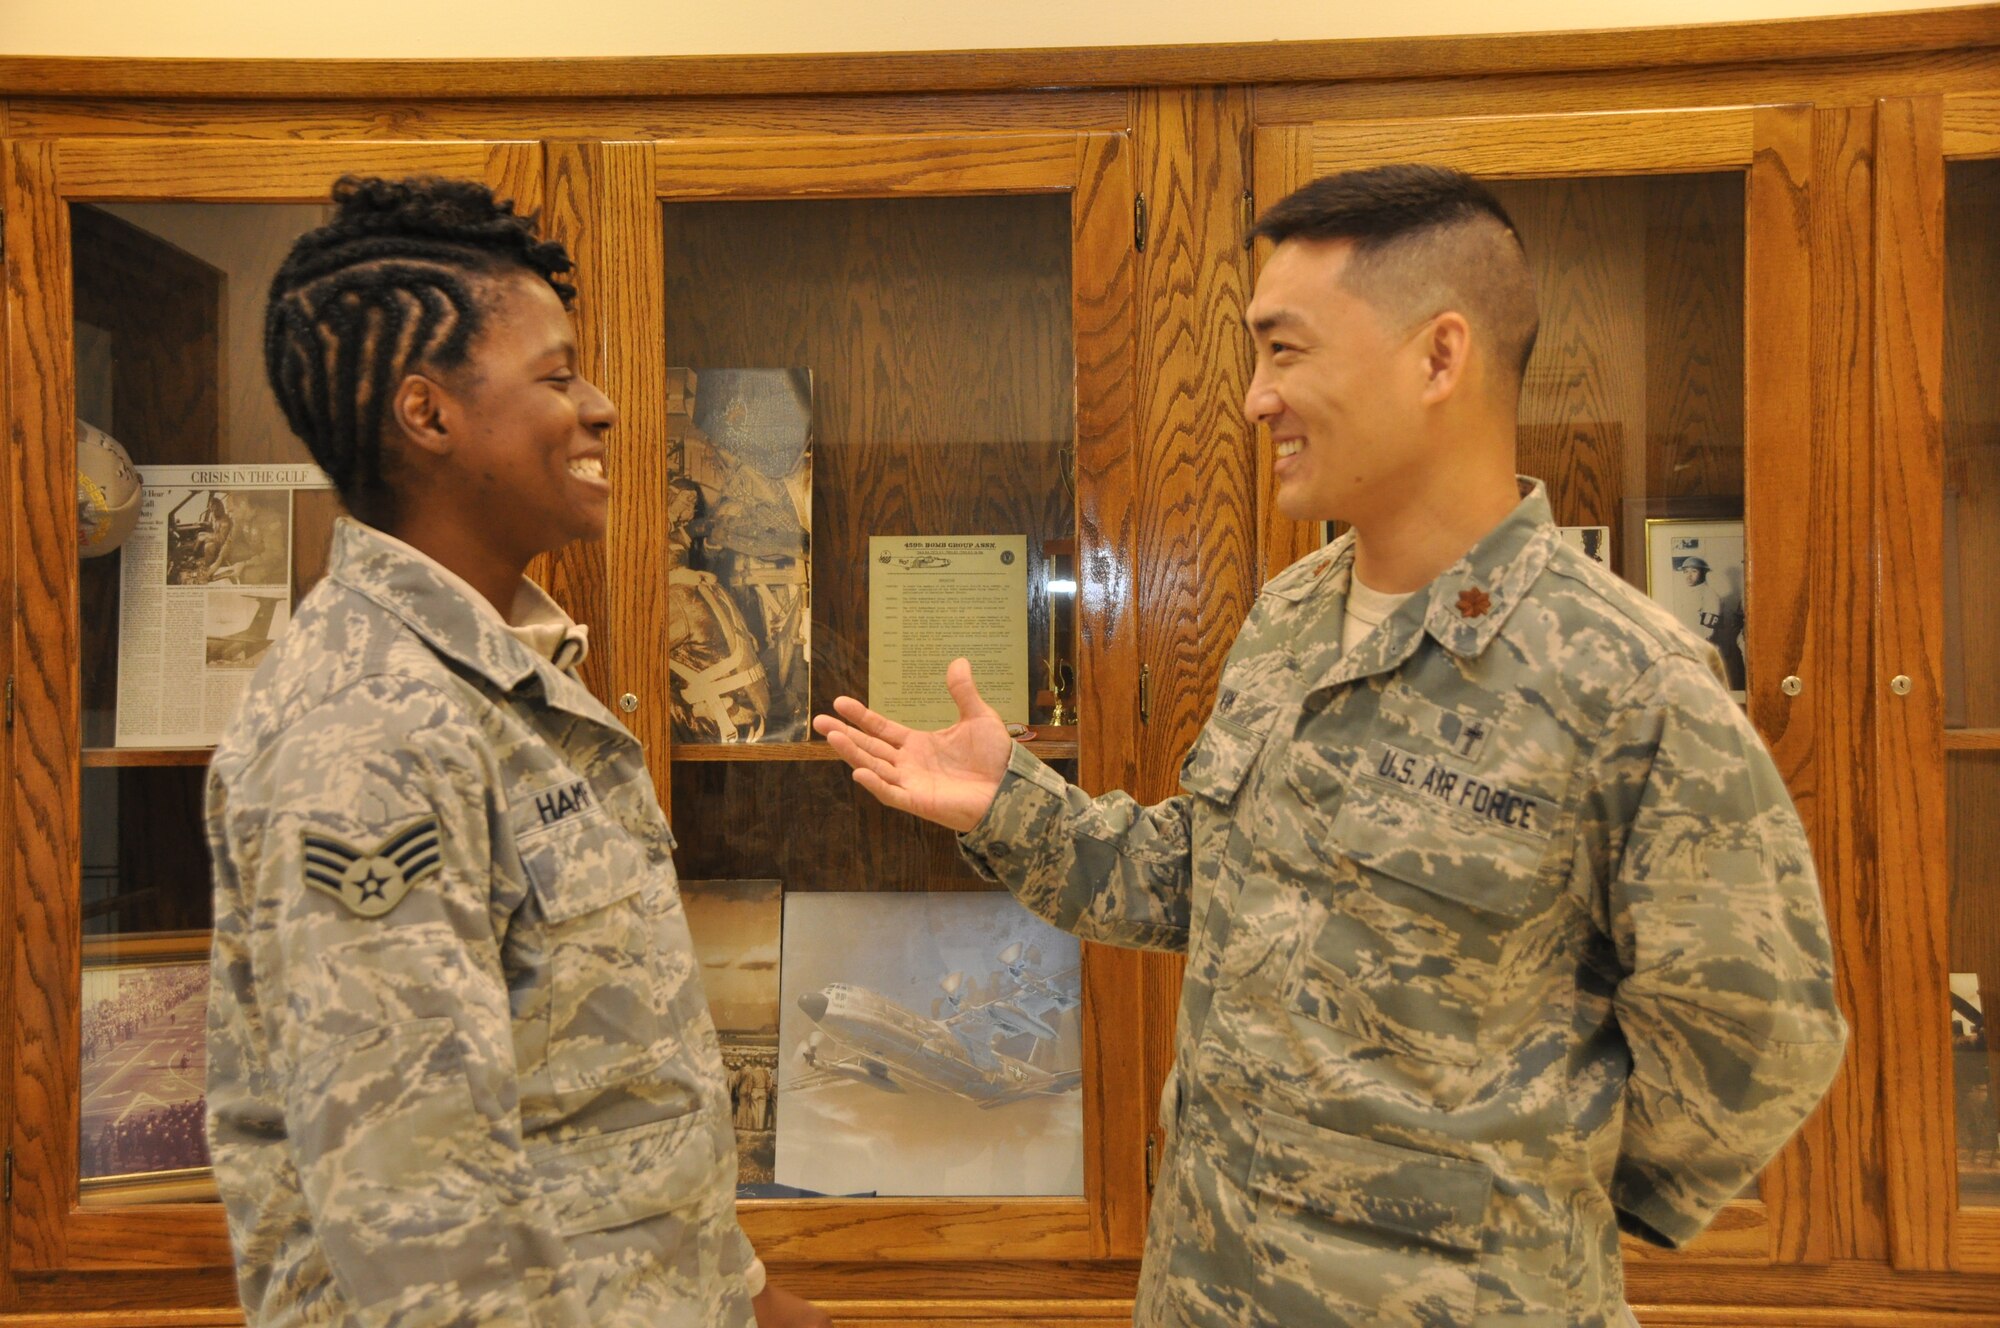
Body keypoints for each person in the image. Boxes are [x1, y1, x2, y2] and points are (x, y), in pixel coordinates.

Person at [814, 165, 1848, 1327]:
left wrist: (1521, 1194)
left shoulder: (1624, 679)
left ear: (1437, 357)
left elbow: (1755, 1031)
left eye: (1284, 350)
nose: (1256, 398)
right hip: (1206, 1289)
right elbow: (1204, 881)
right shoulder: (1290, 615)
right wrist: (1012, 804)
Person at [205, 176, 829, 1328]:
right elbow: (418, 1221)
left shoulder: (506, 675)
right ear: (427, 413)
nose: (599, 407)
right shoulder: (368, 730)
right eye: (556, 375)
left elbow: (599, 1088)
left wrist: (740, 1290)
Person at [1680, 555, 1747, 691]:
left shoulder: (1709, 595)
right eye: (1686, 571)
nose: (1689, 576)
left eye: (1694, 571)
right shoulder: (1689, 594)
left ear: (1703, 573)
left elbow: (1708, 632)